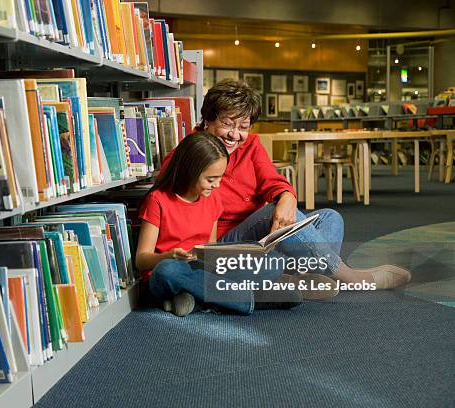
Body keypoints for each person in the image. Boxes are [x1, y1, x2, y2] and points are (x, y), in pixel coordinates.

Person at [160, 79, 411, 290]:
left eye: (243, 127)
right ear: (207, 118)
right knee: (271, 212)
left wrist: (287, 197)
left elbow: (273, 181)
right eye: (227, 123)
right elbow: (170, 209)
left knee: (330, 218)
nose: (235, 135)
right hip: (224, 242)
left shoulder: (251, 145)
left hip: (264, 238)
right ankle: (351, 278)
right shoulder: (187, 154)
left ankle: (300, 278)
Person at [136, 132, 303, 317]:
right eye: (210, 179)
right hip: (169, 271)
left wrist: (225, 258)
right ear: (189, 171)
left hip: (200, 269)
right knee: (167, 271)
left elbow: (211, 247)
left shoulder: (213, 197)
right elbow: (141, 260)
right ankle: (251, 300)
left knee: (273, 264)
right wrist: (170, 256)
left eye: (220, 177)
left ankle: (195, 299)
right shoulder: (157, 200)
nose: (217, 185)